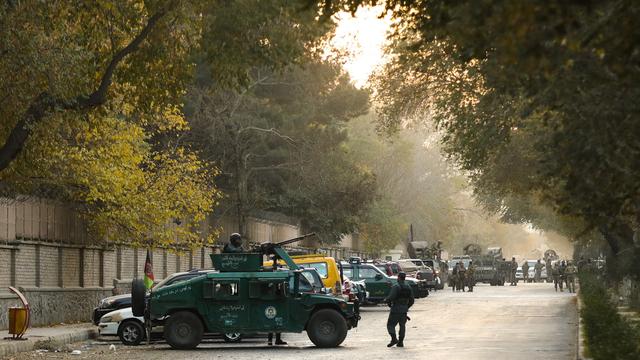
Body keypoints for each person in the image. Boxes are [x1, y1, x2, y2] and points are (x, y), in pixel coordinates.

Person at [385, 272, 414, 347]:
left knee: (390, 325)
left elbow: (391, 297)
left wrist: (386, 300)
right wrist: (406, 307)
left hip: (395, 309)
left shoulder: (396, 286)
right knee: (402, 326)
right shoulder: (408, 287)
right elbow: (412, 300)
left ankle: (394, 339)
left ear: (398, 277)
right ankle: (400, 342)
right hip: (404, 310)